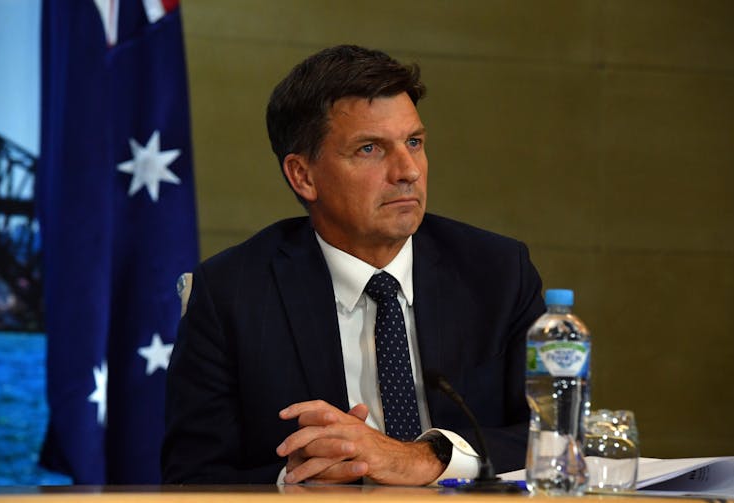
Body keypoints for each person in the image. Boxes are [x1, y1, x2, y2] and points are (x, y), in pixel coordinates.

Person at [161, 44, 545, 486]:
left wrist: (425, 457)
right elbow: (189, 478)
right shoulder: (232, 294)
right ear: (303, 175)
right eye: (369, 149)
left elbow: (556, 438)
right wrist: (295, 480)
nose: (408, 171)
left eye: (414, 143)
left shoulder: (496, 272)